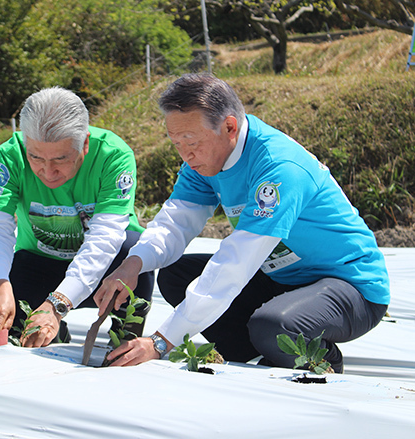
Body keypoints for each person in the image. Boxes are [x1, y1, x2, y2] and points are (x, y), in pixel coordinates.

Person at [94, 73, 390, 372]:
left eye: (191, 142)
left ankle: (323, 360)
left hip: (348, 287)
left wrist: (161, 342)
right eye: (176, 143)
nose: (185, 154)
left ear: (230, 127)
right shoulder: (204, 160)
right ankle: (247, 348)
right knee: (174, 275)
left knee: (274, 325)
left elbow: (236, 262)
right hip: (281, 277)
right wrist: (133, 264)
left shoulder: (279, 168)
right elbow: (175, 223)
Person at [0, 87, 154, 348]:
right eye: (35, 157)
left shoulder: (113, 156)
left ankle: (124, 334)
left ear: (84, 144)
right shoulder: (9, 155)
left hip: (107, 267)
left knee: (135, 250)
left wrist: (58, 303)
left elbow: (105, 237)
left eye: (61, 159)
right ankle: (50, 333)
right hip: (41, 261)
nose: (48, 172)